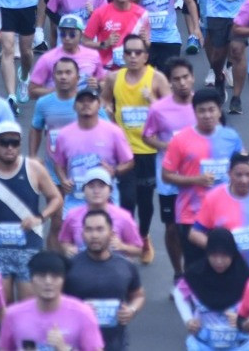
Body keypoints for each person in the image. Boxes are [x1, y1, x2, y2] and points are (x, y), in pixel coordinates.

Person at [0, 120, 63, 301]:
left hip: (28, 247)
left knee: (27, 308)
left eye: (14, 143)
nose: (9, 148)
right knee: (3, 308)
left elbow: (56, 198)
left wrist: (40, 217)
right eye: (4, 143)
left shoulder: (34, 169)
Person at [163, 88, 248, 269]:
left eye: (211, 110)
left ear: (219, 111)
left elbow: (243, 168)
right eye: (202, 111)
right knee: (196, 267)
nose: (207, 115)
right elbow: (166, 175)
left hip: (226, 212)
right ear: (194, 112)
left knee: (228, 264)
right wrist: (195, 180)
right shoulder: (180, 140)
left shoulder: (231, 137)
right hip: (191, 215)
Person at [103, 34, 170, 260]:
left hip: (149, 151)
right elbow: (104, 101)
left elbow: (172, 112)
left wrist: (152, 100)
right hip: (124, 151)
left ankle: (143, 236)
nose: (132, 57)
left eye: (137, 53)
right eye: (128, 53)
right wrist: (109, 112)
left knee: (145, 200)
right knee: (127, 198)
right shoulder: (114, 78)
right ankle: (126, 241)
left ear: (146, 56)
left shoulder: (157, 79)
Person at [144, 58, 199, 280]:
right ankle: (178, 272)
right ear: (169, 82)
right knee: (172, 229)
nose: (182, 82)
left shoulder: (203, 106)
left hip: (198, 178)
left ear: (193, 78)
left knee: (198, 228)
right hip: (169, 179)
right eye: (176, 79)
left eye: (186, 77)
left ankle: (197, 273)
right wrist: (167, 146)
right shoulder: (158, 109)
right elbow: (148, 137)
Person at [64, 210, 148, 351]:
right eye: (89, 230)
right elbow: (56, 304)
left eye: (100, 229)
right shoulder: (69, 267)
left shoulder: (126, 266)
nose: (94, 235)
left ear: (111, 233)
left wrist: (132, 310)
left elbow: (138, 295)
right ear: (82, 234)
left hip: (116, 344)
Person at [0, 251, 106, 351]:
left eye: (55, 276)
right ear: (31, 280)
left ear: (63, 280)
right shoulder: (13, 315)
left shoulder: (83, 313)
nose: (48, 282)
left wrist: (63, 348)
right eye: (41, 276)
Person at [52, 84, 134, 215]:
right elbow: (58, 163)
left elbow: (129, 161)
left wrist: (115, 171)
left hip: (107, 202)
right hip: (75, 201)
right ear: (74, 106)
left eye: (91, 100)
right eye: (81, 101)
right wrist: (63, 180)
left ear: (99, 104)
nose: (86, 104)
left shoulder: (113, 132)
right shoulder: (64, 134)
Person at [174, 227, 249, 351]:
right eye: (213, 255)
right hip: (203, 345)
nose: (219, 261)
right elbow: (179, 294)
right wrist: (189, 320)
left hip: (240, 346)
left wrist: (245, 320)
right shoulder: (195, 275)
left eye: (224, 255)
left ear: (232, 253)